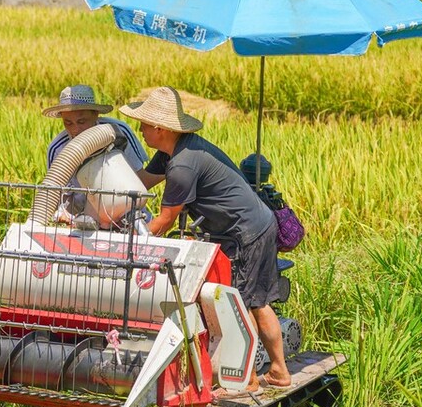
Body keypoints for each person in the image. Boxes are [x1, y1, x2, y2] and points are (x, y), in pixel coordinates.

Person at [121, 86, 291, 389]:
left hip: (245, 233)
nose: (141, 130)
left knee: (239, 303)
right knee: (256, 302)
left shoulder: (182, 165)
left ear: (160, 128)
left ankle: (248, 378)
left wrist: (132, 243)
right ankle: (277, 371)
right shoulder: (172, 150)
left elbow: (165, 218)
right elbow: (142, 182)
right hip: (257, 224)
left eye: (144, 125)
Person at [44, 84, 148, 220]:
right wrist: (64, 216)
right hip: (83, 222)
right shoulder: (58, 148)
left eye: (81, 121)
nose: (75, 129)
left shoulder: (118, 131)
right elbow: (58, 194)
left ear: (95, 114)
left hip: (128, 215)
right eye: (68, 123)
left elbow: (140, 176)